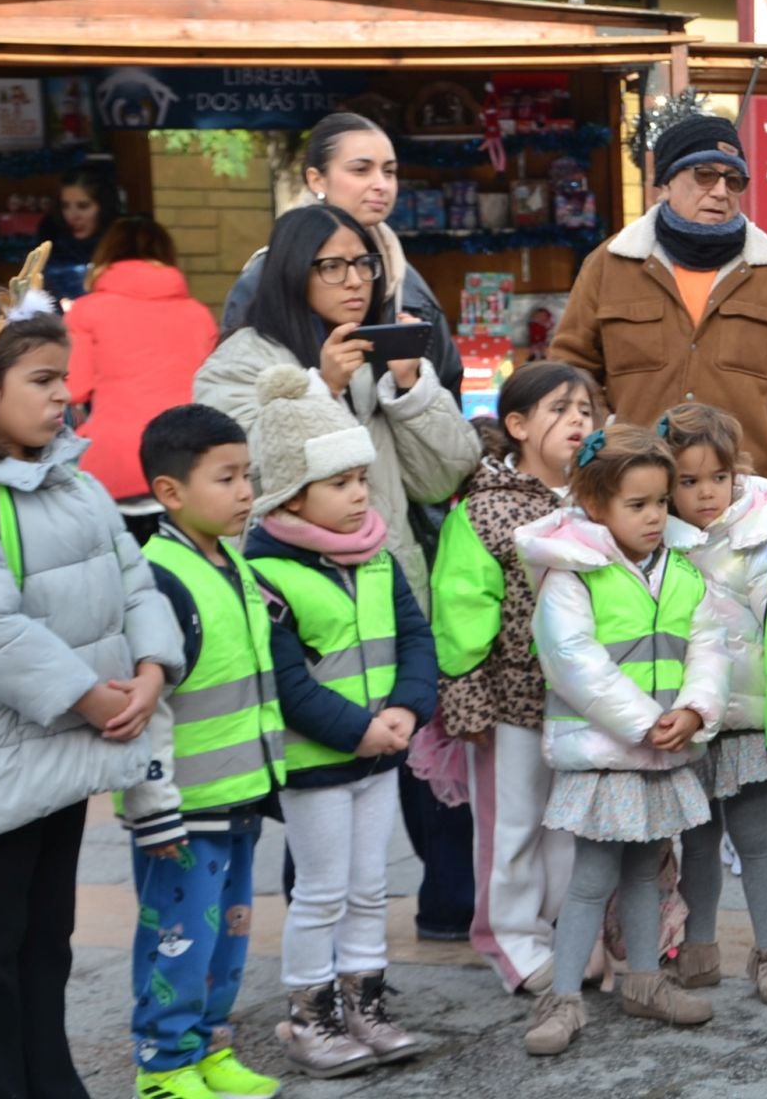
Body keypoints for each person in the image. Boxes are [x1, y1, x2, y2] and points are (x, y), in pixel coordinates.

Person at [0, 252, 181, 1099]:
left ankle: (52, 1076)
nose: (62, 393)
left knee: (48, 935)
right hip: (7, 757)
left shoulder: (77, 483)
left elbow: (134, 579)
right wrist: (87, 694)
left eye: (63, 377)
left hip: (64, 757)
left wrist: (149, 669)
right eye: (40, 380)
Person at [243, 365, 438, 1077]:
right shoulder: (267, 573)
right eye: (340, 483)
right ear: (292, 493)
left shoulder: (377, 556)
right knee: (320, 889)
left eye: (361, 478)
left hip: (381, 749)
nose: (360, 494)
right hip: (317, 760)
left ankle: (366, 1001)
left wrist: (407, 708)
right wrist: (358, 727)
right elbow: (284, 679)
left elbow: (417, 639)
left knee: (367, 885)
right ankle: (308, 1015)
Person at [516, 424, 730, 1054]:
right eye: (637, 505)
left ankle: (644, 979)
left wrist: (695, 710)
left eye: (661, 501)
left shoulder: (686, 569)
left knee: (644, 873)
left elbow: (710, 643)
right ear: (594, 505)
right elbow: (574, 660)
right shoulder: (571, 574)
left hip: (662, 750)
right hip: (607, 752)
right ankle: (563, 998)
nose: (655, 516)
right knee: (590, 878)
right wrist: (643, 721)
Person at [195, 203, 479, 616]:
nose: (354, 281)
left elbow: (440, 480)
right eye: (332, 266)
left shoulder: (381, 357)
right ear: (292, 273)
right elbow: (244, 480)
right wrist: (322, 390)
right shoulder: (238, 363)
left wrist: (410, 388)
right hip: (293, 599)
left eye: (364, 264)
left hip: (392, 588)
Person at [130, 405, 285, 1099]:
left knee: (227, 941)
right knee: (177, 944)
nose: (246, 492)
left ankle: (211, 1048)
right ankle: (162, 1067)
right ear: (170, 491)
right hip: (183, 815)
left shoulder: (233, 564)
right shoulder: (159, 577)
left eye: (247, 475)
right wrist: (154, 809)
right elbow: (148, 708)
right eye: (226, 478)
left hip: (239, 798)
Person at [429, 362, 598, 993]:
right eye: (559, 409)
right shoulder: (485, 510)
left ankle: (562, 934)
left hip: (583, 701)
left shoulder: (595, 500)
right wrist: (468, 701)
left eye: (584, 408)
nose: (577, 420)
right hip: (511, 701)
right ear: (519, 425)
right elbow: (459, 609)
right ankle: (510, 940)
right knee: (513, 825)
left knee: (570, 827)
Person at [550, 114, 767, 478]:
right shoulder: (611, 264)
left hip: (742, 484)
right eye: (704, 175)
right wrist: (607, 437)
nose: (720, 191)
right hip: (632, 484)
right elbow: (572, 368)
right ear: (665, 183)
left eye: (733, 180)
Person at [662, 401, 767, 1006]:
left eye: (718, 478)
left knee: (754, 835)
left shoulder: (766, 542)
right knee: (697, 838)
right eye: (688, 481)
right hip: (690, 722)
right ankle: (697, 945)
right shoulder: (661, 546)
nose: (706, 493)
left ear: (737, 473)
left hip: (751, 723)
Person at [221, 112, 462, 397]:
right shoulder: (267, 275)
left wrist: (411, 386)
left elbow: (447, 387)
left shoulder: (404, 279)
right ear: (317, 180)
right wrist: (326, 388)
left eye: (389, 171)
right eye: (361, 170)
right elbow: (242, 402)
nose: (381, 185)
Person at [67, 215, 217, 527]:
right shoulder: (198, 314)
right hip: (188, 466)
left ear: (107, 255)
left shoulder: (86, 311)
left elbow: (74, 387)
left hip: (113, 468)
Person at [38, 162, 122, 301]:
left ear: (103, 207)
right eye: (65, 206)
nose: (73, 215)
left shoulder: (122, 243)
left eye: (83, 206)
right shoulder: (51, 240)